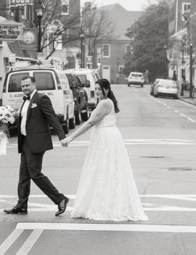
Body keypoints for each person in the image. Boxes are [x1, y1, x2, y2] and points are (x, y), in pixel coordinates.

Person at [60, 78, 148, 222]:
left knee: (103, 170)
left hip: (106, 138)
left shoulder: (105, 103)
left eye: (100, 89)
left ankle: (105, 206)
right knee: (105, 171)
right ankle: (103, 203)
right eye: (96, 88)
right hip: (106, 137)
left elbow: (90, 122)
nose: (97, 91)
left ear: (106, 89)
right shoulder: (106, 102)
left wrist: (70, 138)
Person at [3, 75, 69, 216]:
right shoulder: (25, 100)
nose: (25, 88)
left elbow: (52, 118)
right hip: (25, 142)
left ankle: (60, 199)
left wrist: (62, 137)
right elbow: (24, 121)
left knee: (35, 174)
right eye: (23, 86)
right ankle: (21, 205)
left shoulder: (41, 99)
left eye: (27, 85)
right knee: (24, 176)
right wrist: (4, 126)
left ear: (34, 85)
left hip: (37, 142)